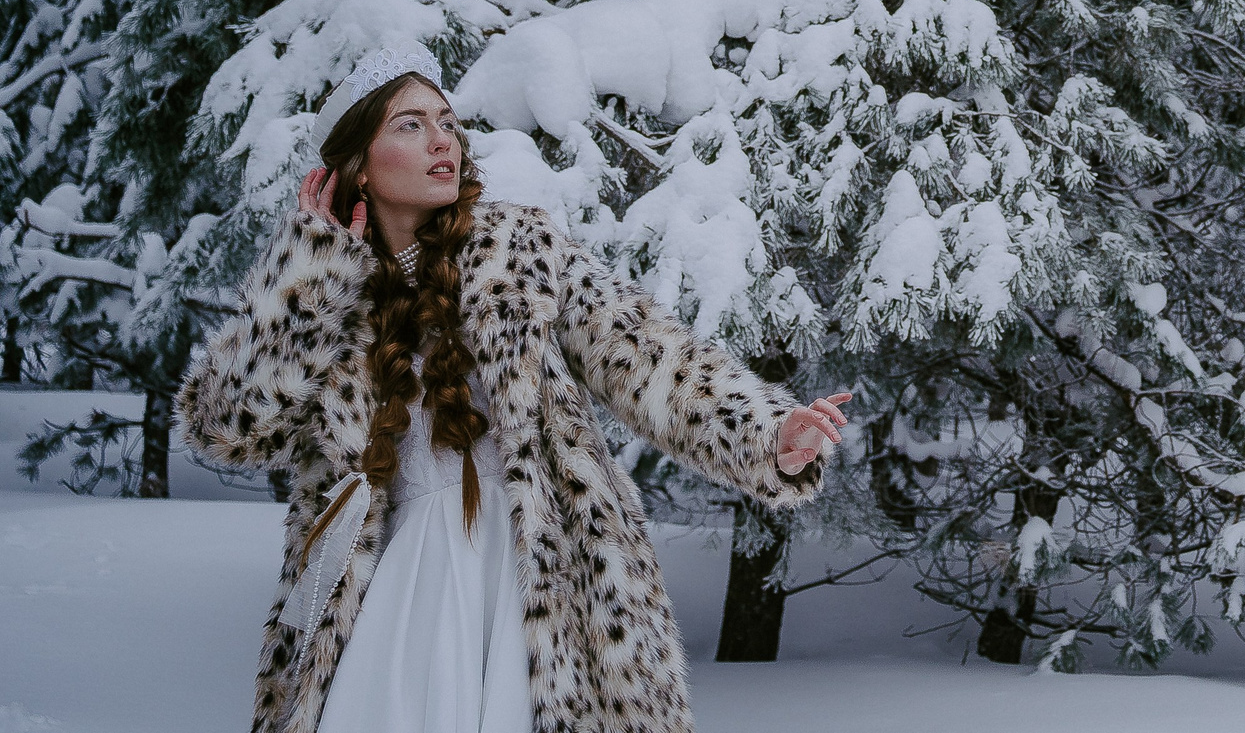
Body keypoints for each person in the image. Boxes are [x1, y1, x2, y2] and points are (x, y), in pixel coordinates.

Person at [179, 42, 852, 733]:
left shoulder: (517, 246)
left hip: (541, 576)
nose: (443, 139)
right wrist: (309, 272)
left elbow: (650, 358)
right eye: (410, 125)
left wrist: (767, 435)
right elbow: (225, 424)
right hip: (389, 601)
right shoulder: (326, 298)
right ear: (356, 165)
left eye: (446, 121)